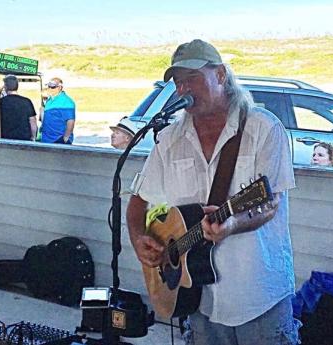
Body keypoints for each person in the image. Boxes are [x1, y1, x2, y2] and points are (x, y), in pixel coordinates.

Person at [126, 39, 298, 345]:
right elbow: (137, 202)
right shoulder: (169, 139)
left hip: (257, 297)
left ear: (220, 75)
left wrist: (234, 223)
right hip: (198, 302)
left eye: (192, 78)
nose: (183, 90)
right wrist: (139, 239)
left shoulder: (263, 128)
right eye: (178, 83)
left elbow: (270, 202)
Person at [0, 75, 37, 140]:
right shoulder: (27, 102)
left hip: (5, 139)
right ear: (17, 86)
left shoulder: (0, 102)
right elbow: (33, 122)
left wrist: (0, 91)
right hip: (24, 139)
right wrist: (33, 137)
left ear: (5, 87)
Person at [40, 77, 75, 144]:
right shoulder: (49, 100)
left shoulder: (67, 102)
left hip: (59, 139)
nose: (50, 89)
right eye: (49, 86)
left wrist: (66, 137)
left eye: (53, 87)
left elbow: (70, 121)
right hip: (46, 139)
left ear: (59, 87)